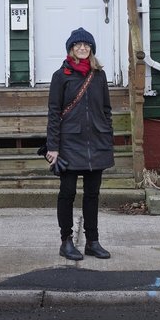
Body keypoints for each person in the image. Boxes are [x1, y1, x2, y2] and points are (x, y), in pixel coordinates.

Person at [44, 27, 114, 261]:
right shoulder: (61, 76)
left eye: (86, 45)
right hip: (69, 143)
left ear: (91, 49)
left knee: (92, 194)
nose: (82, 48)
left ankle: (92, 241)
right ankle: (66, 241)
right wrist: (52, 147)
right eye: (78, 45)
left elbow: (106, 110)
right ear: (71, 49)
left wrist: (107, 136)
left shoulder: (99, 75)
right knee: (67, 193)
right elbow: (54, 113)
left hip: (96, 142)